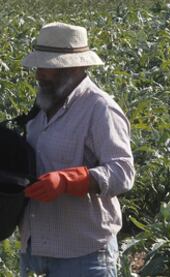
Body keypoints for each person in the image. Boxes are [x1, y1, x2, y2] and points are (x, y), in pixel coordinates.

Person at [19, 22, 135, 276]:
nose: (39, 74)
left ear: (74, 67)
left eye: (47, 67)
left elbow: (122, 172)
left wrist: (68, 181)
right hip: (35, 249)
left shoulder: (99, 108)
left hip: (83, 254)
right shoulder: (42, 107)